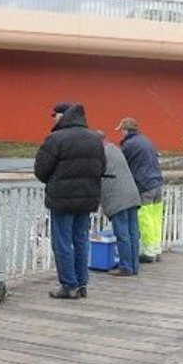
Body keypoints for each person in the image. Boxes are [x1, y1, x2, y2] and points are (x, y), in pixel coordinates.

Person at [34, 102, 106, 299]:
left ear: (63, 116)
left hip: (62, 199)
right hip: (87, 199)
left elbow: (41, 170)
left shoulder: (56, 138)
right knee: (81, 240)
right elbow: (102, 168)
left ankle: (68, 285)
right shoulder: (94, 139)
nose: (53, 119)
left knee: (62, 242)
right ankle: (82, 284)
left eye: (55, 115)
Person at [116, 117, 166, 264]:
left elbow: (120, 164)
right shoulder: (145, 140)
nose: (121, 134)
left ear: (125, 130)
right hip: (156, 183)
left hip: (144, 185)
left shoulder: (128, 145)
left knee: (144, 219)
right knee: (156, 219)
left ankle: (148, 252)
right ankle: (156, 250)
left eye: (121, 131)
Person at [95, 131, 142, 276]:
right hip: (132, 194)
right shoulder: (115, 149)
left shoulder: (101, 154)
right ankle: (134, 266)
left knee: (122, 233)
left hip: (117, 198)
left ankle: (126, 267)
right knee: (133, 232)